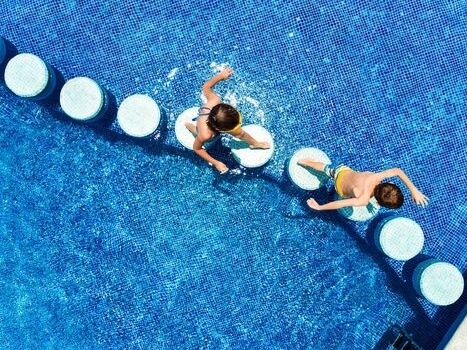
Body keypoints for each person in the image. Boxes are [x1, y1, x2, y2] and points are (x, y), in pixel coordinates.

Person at [185, 68, 270, 173]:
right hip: (203, 130)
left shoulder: (215, 101)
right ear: (221, 129)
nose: (239, 124)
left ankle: (255, 144)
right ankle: (188, 125)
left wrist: (220, 76)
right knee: (196, 131)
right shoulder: (205, 134)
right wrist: (216, 163)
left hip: (216, 123)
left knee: (240, 133)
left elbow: (206, 86)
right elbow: (197, 148)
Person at [297, 159, 429, 211]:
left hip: (342, 171)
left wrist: (414, 190)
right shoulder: (363, 200)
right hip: (340, 188)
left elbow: (397, 171)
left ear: (388, 183)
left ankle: (303, 161)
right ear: (378, 202)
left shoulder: (376, 177)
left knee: (326, 169)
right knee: (349, 196)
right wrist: (320, 207)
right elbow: (340, 204)